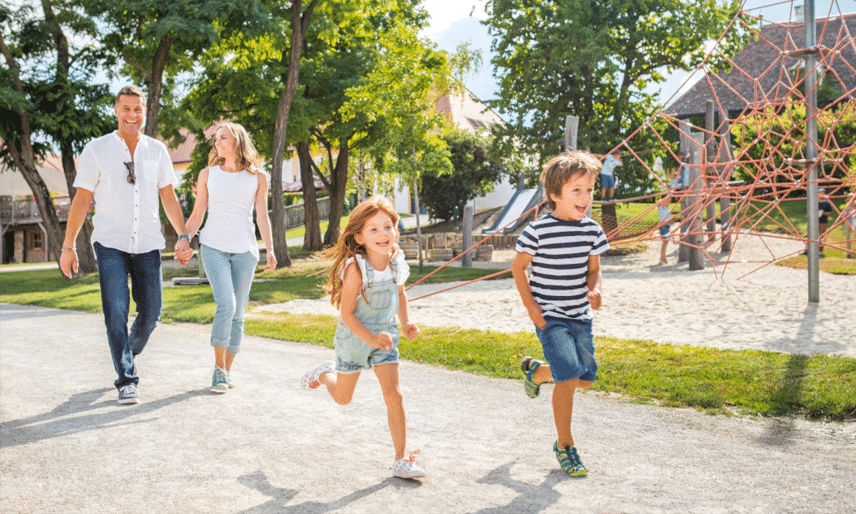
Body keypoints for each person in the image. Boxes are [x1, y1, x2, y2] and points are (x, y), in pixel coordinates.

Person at [60, 85, 193, 405]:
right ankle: (126, 379)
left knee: (151, 314)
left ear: (144, 112)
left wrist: (184, 235)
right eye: (126, 109)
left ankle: (124, 355)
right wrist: (68, 246)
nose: (132, 115)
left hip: (147, 242)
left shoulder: (157, 151)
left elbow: (168, 197)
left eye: (138, 109)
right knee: (116, 311)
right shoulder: (97, 150)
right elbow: (81, 200)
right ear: (116, 111)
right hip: (110, 242)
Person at [300, 196, 425, 479]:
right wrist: (371, 339)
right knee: (343, 399)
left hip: (386, 337)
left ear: (396, 229)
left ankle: (401, 460)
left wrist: (406, 324)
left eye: (388, 227)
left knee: (394, 395)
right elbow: (346, 314)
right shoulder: (356, 269)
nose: (383, 234)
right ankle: (324, 375)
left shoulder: (395, 262)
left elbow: (401, 294)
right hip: (355, 339)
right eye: (374, 229)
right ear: (358, 236)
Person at [511, 151, 609, 477]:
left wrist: (594, 289)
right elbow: (518, 268)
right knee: (567, 379)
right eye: (576, 190)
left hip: (580, 315)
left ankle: (537, 373)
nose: (585, 197)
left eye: (590, 190)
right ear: (555, 194)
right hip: (549, 316)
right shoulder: (537, 231)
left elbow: (593, 269)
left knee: (585, 380)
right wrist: (531, 307)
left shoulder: (592, 230)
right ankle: (565, 446)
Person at [184, 123, 277, 393]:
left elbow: (262, 215)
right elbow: (198, 212)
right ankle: (217, 368)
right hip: (213, 246)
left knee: (238, 313)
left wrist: (269, 249)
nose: (217, 142)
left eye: (222, 137)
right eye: (215, 139)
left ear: (238, 140)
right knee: (226, 304)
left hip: (245, 250)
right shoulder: (207, 174)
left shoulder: (258, 177)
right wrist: (184, 237)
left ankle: (226, 370)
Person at [818, 188, 834, 256]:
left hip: (823, 221)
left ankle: (820, 251)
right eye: (820, 192)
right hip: (814, 221)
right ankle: (807, 249)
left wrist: (823, 213)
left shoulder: (827, 203)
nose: (821, 194)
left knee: (821, 236)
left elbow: (830, 213)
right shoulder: (814, 202)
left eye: (822, 193)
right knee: (811, 235)